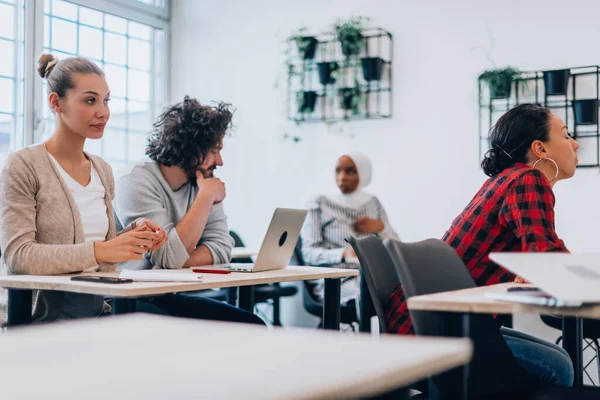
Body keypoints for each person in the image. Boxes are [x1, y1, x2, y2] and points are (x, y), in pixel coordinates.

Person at [386, 104, 578, 387]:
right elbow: (546, 258)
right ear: (541, 149)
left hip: (425, 324)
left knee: (559, 356)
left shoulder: (507, 179)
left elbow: (541, 256)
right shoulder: (527, 179)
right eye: (565, 135)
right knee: (558, 367)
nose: (575, 143)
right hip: (437, 333)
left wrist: (535, 266)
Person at [0, 54, 167, 323]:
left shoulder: (102, 169)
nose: (103, 112)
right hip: (43, 320)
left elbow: (104, 252)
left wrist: (136, 235)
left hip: (96, 310)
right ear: (56, 103)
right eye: (90, 100)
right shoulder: (23, 165)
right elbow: (19, 256)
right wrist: (100, 250)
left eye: (106, 100)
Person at [113, 96, 263, 325]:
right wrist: (205, 197)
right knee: (180, 337)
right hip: (125, 299)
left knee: (251, 325)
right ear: (190, 147)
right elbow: (169, 256)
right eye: (214, 151)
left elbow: (222, 248)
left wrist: (176, 260)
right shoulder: (134, 180)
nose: (220, 161)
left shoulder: (203, 181)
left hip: (164, 296)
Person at [301, 152, 398, 309]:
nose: (342, 178)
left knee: (404, 291)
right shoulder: (319, 203)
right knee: (370, 294)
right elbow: (308, 253)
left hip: (370, 277)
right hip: (335, 280)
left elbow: (396, 246)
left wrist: (380, 227)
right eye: (338, 171)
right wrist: (343, 254)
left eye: (350, 171)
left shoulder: (372, 203)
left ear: (363, 174)